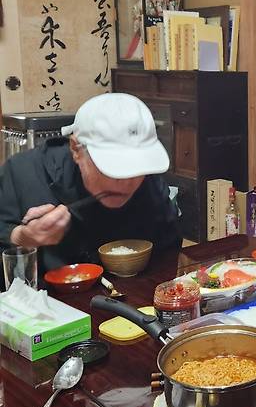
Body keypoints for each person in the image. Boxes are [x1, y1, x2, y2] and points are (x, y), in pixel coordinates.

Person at [0, 93, 181, 274]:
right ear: (76, 149)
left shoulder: (148, 180)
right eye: (112, 166)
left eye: (136, 166)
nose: (126, 181)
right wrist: (21, 236)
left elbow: (169, 249)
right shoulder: (23, 172)